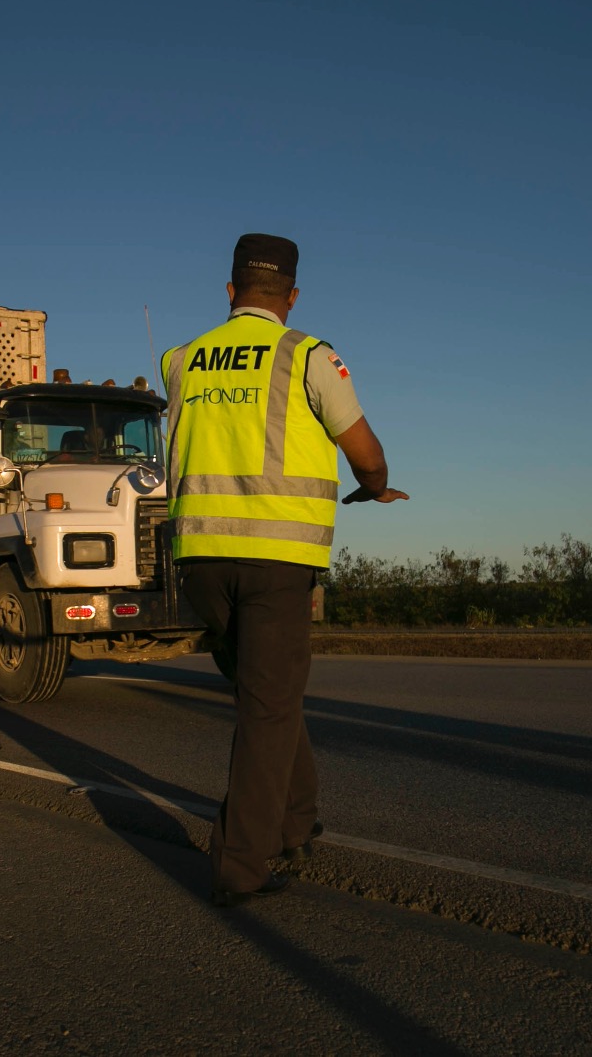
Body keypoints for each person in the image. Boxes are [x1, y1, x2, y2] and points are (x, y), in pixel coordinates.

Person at [162, 233, 408, 907]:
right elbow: (364, 450)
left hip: (201, 560)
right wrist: (376, 484)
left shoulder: (180, 359)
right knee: (268, 708)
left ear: (230, 290)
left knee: (267, 695)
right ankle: (240, 864)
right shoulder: (309, 355)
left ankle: (297, 821)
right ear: (292, 296)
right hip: (276, 558)